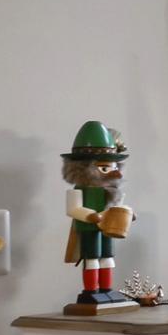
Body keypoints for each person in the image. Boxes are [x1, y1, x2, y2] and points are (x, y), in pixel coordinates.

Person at [62, 120, 137, 314]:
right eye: (104, 168)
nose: (113, 172)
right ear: (82, 167)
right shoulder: (80, 190)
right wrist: (91, 216)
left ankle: (106, 289)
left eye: (112, 166)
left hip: (108, 229)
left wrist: (127, 214)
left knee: (107, 258)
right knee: (91, 258)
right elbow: (73, 209)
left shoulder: (112, 191)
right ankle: (91, 291)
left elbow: (116, 206)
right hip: (89, 229)